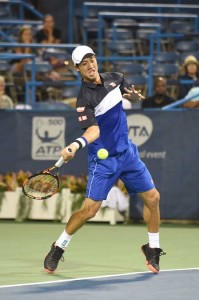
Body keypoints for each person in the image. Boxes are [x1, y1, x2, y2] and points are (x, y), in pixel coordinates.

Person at [44, 45, 166, 275]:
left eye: (91, 59)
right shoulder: (84, 99)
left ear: (96, 60)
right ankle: (59, 246)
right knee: (89, 210)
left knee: (153, 198)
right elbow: (93, 131)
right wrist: (75, 145)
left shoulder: (116, 78)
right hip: (104, 160)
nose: (90, 65)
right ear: (77, 68)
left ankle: (153, 247)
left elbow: (124, 86)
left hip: (127, 153)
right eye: (83, 63)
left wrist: (130, 91)